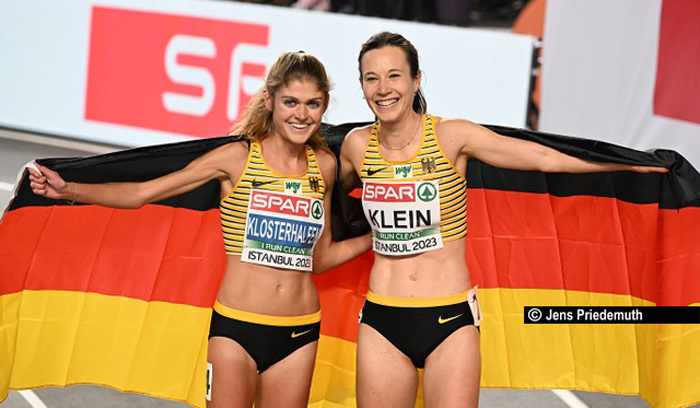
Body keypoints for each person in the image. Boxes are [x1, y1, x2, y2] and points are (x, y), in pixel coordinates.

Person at [338, 31, 668, 408]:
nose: (383, 88)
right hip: (383, 320)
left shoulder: (451, 136)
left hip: (449, 322)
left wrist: (626, 165)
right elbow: (330, 198)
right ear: (361, 86)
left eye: (394, 75)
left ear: (416, 79)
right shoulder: (355, 147)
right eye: (372, 78)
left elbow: (544, 158)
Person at [28, 51, 372, 408]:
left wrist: (375, 236)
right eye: (290, 102)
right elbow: (142, 193)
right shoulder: (235, 159)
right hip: (237, 329)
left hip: (300, 330)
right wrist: (69, 190)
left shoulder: (324, 166)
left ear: (324, 104)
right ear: (269, 100)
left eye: (312, 103)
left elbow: (320, 259)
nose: (301, 114)